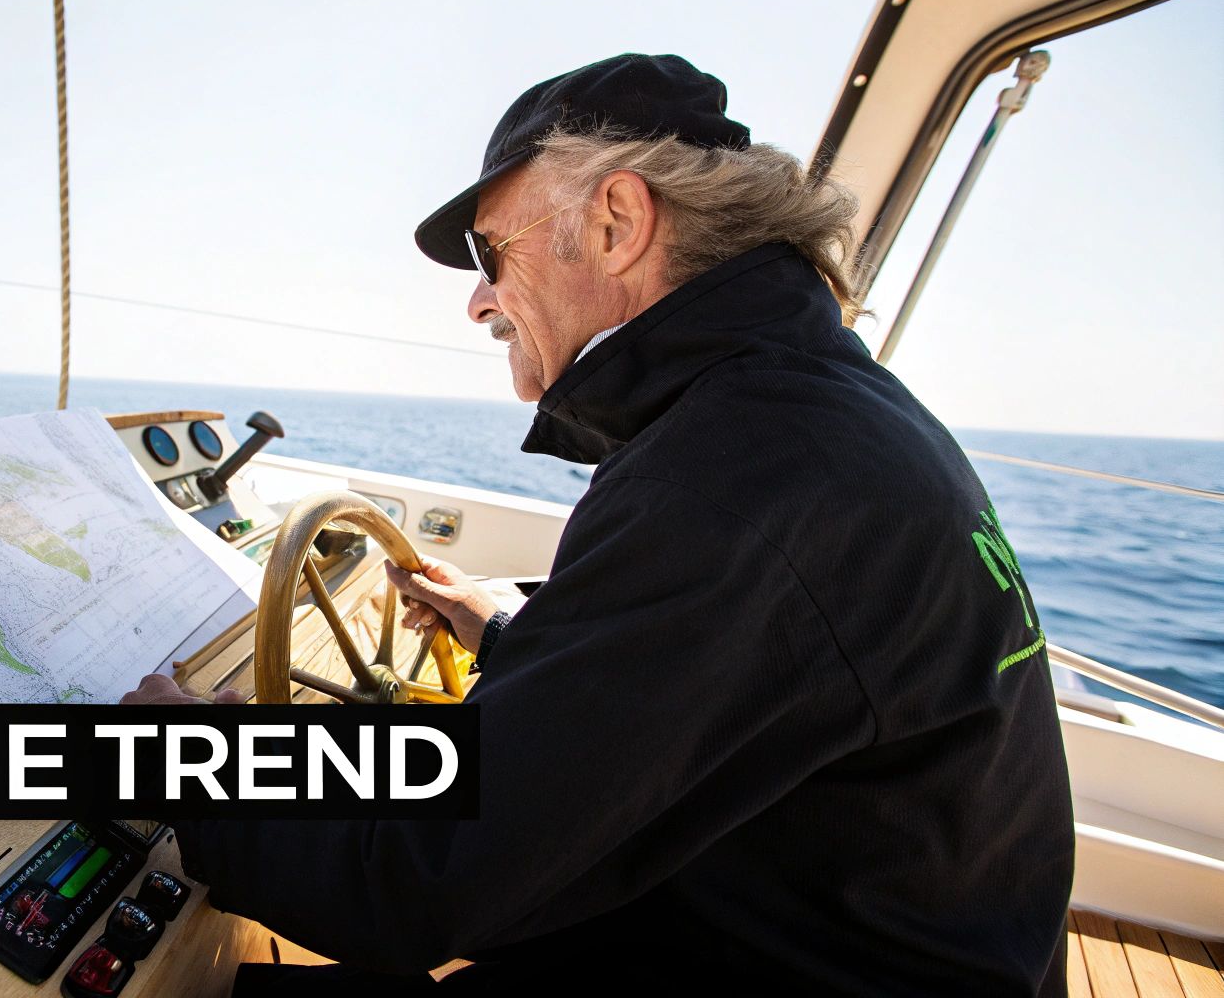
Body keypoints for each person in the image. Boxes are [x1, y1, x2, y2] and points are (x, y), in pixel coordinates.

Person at [123, 54, 1073, 996]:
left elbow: (414, 881)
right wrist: (506, 633)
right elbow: (723, 684)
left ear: (618, 222)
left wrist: (184, 760)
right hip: (814, 927)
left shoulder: (733, 476)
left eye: (491, 254)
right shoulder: (820, 409)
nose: (478, 298)